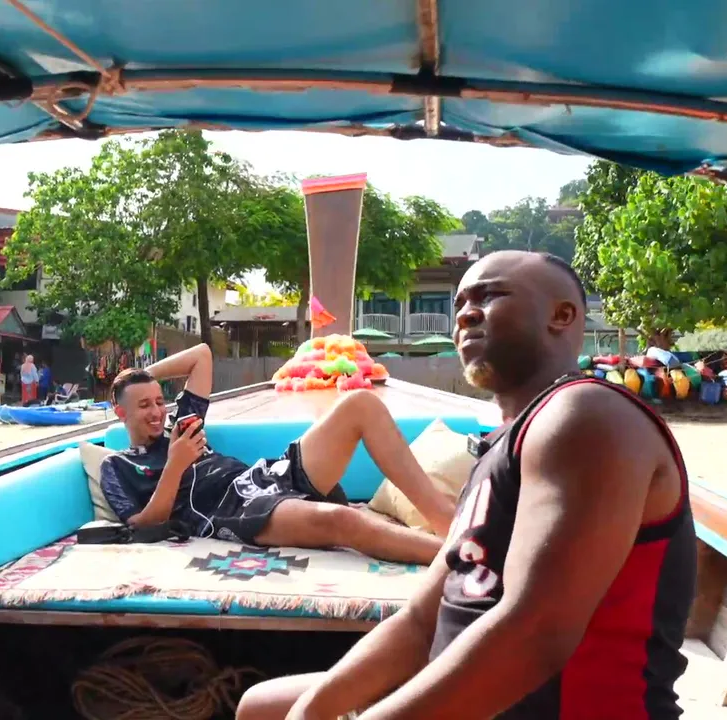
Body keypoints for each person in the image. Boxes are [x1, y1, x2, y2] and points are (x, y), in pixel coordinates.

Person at [237, 250, 695, 720]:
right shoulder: (501, 447)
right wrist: (314, 708)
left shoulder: (586, 416)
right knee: (263, 707)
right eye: (460, 304)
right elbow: (420, 622)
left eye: (490, 296)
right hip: (470, 689)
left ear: (562, 316)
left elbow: (533, 633)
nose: (466, 314)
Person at [100, 343, 454, 564]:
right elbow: (143, 525)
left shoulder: (179, 426)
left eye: (159, 401)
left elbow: (202, 355)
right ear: (121, 413)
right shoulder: (117, 465)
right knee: (340, 521)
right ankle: (461, 558)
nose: (156, 412)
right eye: (143, 405)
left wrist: (137, 377)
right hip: (231, 510)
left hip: (263, 476)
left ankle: (451, 526)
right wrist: (176, 464)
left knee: (361, 404)